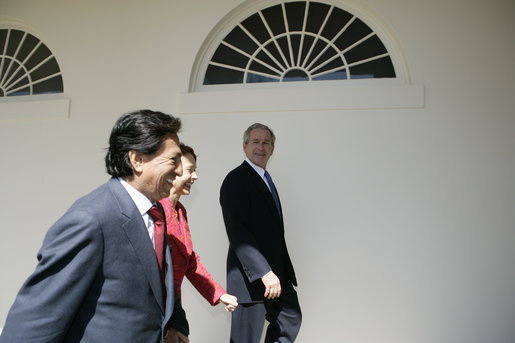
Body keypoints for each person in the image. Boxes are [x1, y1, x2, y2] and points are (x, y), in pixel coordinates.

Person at [0, 109, 189, 343]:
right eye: (173, 160)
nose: (181, 170)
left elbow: (160, 283)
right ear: (137, 160)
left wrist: (175, 325)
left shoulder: (156, 211)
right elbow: (38, 316)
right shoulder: (91, 219)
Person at [219, 123, 302, 343]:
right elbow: (238, 232)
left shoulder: (267, 181)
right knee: (245, 340)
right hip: (251, 280)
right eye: (255, 141)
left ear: (272, 149)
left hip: (278, 277)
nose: (261, 147)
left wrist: (278, 272)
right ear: (245, 146)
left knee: (290, 318)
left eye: (266, 143)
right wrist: (264, 272)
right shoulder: (235, 179)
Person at [158, 144, 238, 337]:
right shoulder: (154, 211)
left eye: (195, 170)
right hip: (156, 307)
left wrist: (219, 294)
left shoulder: (180, 211)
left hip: (173, 304)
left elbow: (190, 260)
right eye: (190, 171)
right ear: (172, 172)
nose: (195, 177)